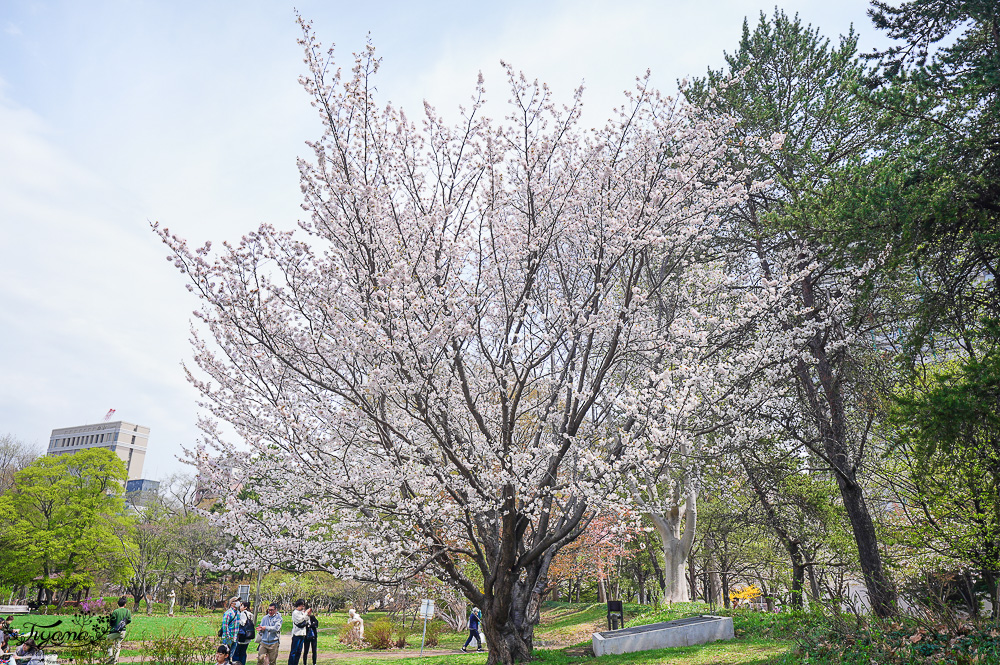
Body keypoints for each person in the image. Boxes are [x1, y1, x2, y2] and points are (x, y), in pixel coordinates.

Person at [107, 596, 132, 665]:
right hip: (123, 631)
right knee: (118, 646)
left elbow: (112, 620)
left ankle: (110, 658)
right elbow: (129, 620)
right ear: (125, 604)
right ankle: (115, 661)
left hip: (114, 631)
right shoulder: (127, 611)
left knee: (108, 643)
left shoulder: (115, 611)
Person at [233, 601, 255, 665]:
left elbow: (242, 623)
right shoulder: (250, 614)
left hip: (242, 637)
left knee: (237, 653)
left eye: (241, 605)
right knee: (243, 652)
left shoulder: (242, 614)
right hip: (248, 637)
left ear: (245, 607)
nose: (240, 607)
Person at [287, 599, 308, 665]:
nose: (303, 607)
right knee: (294, 651)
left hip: (302, 634)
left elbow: (307, 620)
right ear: (299, 605)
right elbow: (300, 620)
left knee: (299, 651)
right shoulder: (295, 612)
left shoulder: (302, 612)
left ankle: (296, 663)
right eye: (302, 605)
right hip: (297, 634)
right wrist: (305, 614)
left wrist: (307, 614)